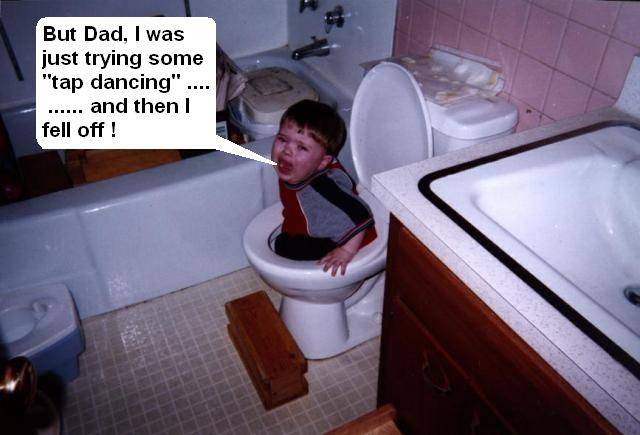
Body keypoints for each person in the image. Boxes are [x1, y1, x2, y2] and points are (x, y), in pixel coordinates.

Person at [271, 99, 376, 276]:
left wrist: (346, 251)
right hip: (321, 216)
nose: (287, 150)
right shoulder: (301, 169)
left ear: (322, 163)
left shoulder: (320, 190)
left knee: (284, 247)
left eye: (301, 147)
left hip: (352, 237)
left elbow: (360, 216)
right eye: (283, 139)